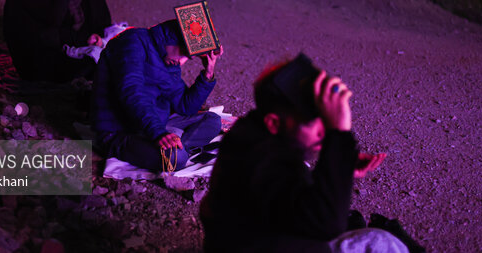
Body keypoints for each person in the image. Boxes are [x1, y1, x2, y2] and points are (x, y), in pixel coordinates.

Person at [200, 54, 414, 252]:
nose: (324, 130)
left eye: (326, 121)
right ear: (274, 122)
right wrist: (338, 136)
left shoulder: (253, 134)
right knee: (383, 243)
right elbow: (326, 223)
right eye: (314, 122)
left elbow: (287, 192)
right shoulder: (257, 160)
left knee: (360, 226)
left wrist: (339, 162)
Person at [91, 19, 224, 172]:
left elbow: (185, 106)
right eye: (184, 53)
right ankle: (176, 150)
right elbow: (132, 92)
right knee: (176, 159)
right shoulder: (133, 41)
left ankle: (177, 147)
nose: (182, 61)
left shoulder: (170, 62)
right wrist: (158, 133)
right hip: (119, 130)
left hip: (152, 124)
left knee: (212, 120)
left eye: (189, 57)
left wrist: (208, 73)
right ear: (172, 39)